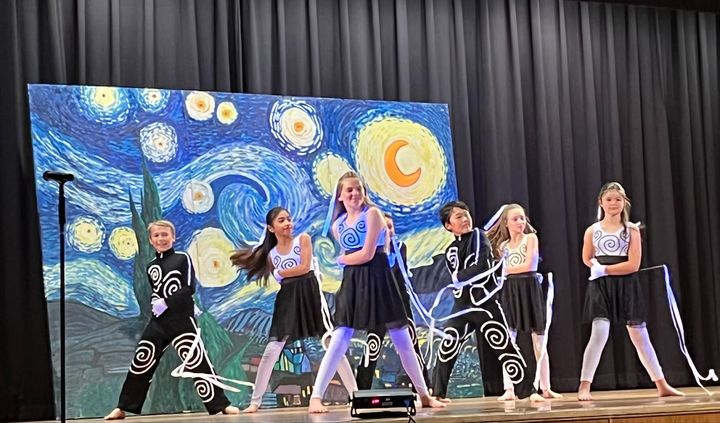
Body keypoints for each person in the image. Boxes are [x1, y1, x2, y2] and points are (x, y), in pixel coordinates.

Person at [308, 171, 445, 413]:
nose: (354, 193)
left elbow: (368, 253)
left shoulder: (372, 214)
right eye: (349, 190)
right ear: (340, 196)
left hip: (379, 277)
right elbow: (354, 256)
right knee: (340, 338)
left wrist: (342, 259)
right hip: (354, 282)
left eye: (358, 189)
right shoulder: (338, 225)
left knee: (402, 339)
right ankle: (315, 397)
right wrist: (347, 260)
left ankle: (424, 394)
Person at [104, 220, 240, 420]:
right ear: (151, 240)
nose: (161, 239)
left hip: (181, 321)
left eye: (165, 235)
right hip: (159, 322)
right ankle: (123, 406)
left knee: (197, 361)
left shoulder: (182, 258)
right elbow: (157, 290)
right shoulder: (151, 267)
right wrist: (155, 303)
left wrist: (166, 302)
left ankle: (222, 404)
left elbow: (188, 288)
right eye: (157, 236)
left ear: (173, 237)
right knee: (141, 361)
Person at [229, 207, 357, 413]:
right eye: (282, 220)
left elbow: (304, 267)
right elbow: (280, 277)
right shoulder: (271, 254)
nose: (288, 223)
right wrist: (283, 273)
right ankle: (255, 401)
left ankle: (355, 394)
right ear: (271, 228)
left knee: (331, 345)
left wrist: (282, 272)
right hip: (288, 300)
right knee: (272, 350)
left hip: (310, 296)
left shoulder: (303, 240)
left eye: (289, 219)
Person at [577, 182, 684, 401]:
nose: (613, 203)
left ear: (624, 202)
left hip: (626, 284)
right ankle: (584, 386)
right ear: (601, 203)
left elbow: (633, 265)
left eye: (617, 199)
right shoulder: (592, 230)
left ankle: (661, 384)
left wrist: (604, 269)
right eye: (609, 199)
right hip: (600, 286)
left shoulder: (631, 230)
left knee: (640, 336)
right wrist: (595, 268)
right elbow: (586, 257)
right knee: (599, 333)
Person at [432, 201, 541, 402]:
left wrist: (458, 278)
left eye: (466, 215)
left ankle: (528, 391)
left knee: (505, 346)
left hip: (484, 303)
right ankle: (437, 393)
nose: (465, 219)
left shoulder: (478, 236)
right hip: (462, 306)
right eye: (458, 217)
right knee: (448, 346)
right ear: (448, 225)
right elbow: (455, 274)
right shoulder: (450, 250)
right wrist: (457, 278)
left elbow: (480, 266)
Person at [486, 204, 561, 400]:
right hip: (510, 292)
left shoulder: (531, 238)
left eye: (522, 218)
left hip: (530, 289)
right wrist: (502, 272)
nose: (520, 222)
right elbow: (499, 273)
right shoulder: (503, 246)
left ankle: (546, 387)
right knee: (509, 341)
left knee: (539, 341)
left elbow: (530, 265)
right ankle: (509, 388)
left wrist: (504, 271)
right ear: (506, 223)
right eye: (515, 219)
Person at [354, 213, 431, 391]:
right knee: (372, 345)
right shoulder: (369, 250)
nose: (388, 230)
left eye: (390, 227)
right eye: (384, 227)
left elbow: (395, 270)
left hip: (399, 301)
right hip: (379, 301)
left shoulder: (399, 246)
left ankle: (425, 388)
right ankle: (360, 389)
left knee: (411, 343)